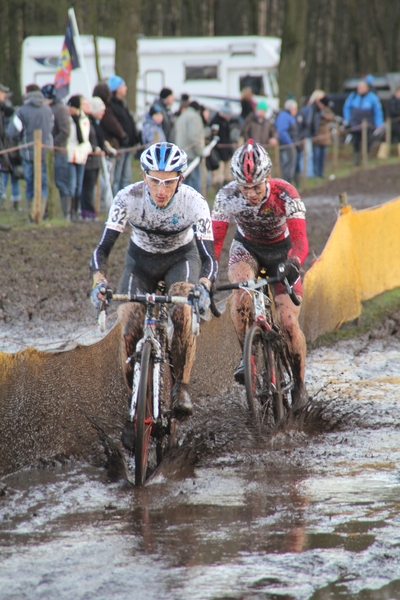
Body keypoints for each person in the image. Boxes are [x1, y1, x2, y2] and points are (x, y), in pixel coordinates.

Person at [89, 142, 218, 448]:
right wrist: (99, 282)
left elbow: (209, 259)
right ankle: (135, 407)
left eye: (169, 181)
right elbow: (102, 250)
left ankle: (181, 387)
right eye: (155, 180)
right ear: (144, 175)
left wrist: (204, 288)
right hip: (140, 262)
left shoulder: (194, 203)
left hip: (180, 260)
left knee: (182, 310)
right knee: (128, 323)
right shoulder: (127, 198)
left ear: (181, 179)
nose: (161, 190)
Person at [211, 139, 308, 409]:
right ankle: (248, 354)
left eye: (256, 186)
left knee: (288, 323)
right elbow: (215, 242)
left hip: (282, 251)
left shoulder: (285, 193)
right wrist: (208, 274)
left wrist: (294, 262)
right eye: (245, 187)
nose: (251, 193)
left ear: (267, 178)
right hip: (247, 248)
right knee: (241, 292)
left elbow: (300, 240)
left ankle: (299, 384)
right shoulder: (226, 196)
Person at [7, 84, 54, 221]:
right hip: (46, 153)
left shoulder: (22, 111)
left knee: (30, 183)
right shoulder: (48, 110)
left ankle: (31, 214)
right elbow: (52, 128)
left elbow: (12, 132)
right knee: (43, 183)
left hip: (28, 153)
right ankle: (42, 212)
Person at [41, 83, 71, 219]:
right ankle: (46, 212)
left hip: (59, 153)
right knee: (46, 183)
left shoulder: (61, 110)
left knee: (61, 183)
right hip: (46, 153)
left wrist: (53, 145)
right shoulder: (45, 109)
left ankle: (67, 214)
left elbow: (65, 131)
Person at [108, 75, 139, 196]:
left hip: (128, 145)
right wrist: (122, 137)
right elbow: (114, 125)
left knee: (126, 176)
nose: (126, 88)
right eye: (123, 86)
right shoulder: (112, 105)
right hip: (120, 146)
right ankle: (117, 200)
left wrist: (134, 137)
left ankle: (126, 200)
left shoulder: (122, 104)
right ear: (117, 88)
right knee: (117, 176)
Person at [343, 78, 384, 166]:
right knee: (355, 142)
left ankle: (365, 158)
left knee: (367, 141)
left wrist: (379, 124)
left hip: (367, 123)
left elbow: (378, 111)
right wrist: (347, 120)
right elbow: (346, 107)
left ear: (366, 88)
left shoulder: (373, 97)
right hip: (355, 123)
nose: (359, 90)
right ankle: (356, 159)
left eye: (361, 88)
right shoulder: (353, 96)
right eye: (358, 88)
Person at [80, 96, 108, 221]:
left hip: (96, 160)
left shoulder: (95, 123)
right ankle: (87, 211)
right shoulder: (87, 122)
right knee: (87, 187)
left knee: (91, 186)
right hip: (89, 160)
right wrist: (94, 148)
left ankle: (89, 211)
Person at [66, 95, 92, 221]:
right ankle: (70, 212)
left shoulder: (83, 119)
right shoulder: (68, 120)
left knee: (78, 185)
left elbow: (84, 138)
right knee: (72, 184)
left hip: (81, 155)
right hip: (70, 155)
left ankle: (76, 210)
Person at [175, 100, 205, 192]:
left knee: (183, 181)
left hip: (181, 153)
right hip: (192, 154)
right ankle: (194, 203)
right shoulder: (195, 117)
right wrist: (200, 152)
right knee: (196, 181)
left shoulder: (182, 116)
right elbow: (194, 136)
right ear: (198, 110)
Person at [308, 90, 335, 178]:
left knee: (322, 158)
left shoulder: (326, 109)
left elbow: (331, 116)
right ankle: (315, 174)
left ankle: (321, 173)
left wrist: (324, 115)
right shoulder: (312, 109)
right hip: (317, 137)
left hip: (325, 138)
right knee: (316, 157)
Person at [210, 101, 235, 192]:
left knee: (228, 175)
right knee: (219, 176)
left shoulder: (227, 122)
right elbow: (213, 137)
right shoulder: (215, 122)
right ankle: (219, 193)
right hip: (219, 154)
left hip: (227, 153)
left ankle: (228, 193)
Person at [275, 99, 301, 184]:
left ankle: (291, 183)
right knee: (287, 165)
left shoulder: (289, 116)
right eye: (295, 109)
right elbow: (282, 131)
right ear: (291, 108)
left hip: (291, 144)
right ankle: (286, 184)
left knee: (292, 165)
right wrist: (289, 143)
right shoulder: (284, 116)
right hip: (287, 145)